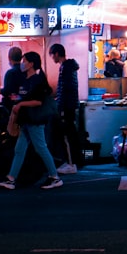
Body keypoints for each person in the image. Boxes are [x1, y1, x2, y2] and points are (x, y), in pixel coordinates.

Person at [0, 52, 62, 190]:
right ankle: (11, 179)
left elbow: (38, 102)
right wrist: (17, 99)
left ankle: (55, 177)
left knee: (41, 148)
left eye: (24, 60)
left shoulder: (37, 80)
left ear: (31, 63)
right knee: (20, 149)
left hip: (34, 120)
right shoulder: (27, 79)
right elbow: (26, 97)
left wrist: (20, 104)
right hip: (26, 121)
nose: (22, 63)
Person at [49, 43, 80, 175]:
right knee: (69, 134)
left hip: (67, 106)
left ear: (56, 54)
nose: (52, 58)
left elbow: (65, 89)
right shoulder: (69, 66)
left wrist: (60, 105)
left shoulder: (65, 68)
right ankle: (71, 162)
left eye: (52, 55)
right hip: (70, 105)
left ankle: (71, 164)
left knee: (67, 135)